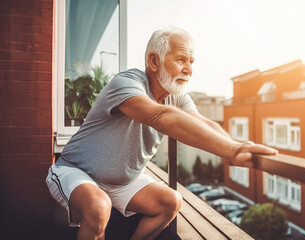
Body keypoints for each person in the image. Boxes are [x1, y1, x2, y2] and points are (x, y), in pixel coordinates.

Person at [46, 26, 278, 240]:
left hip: (121, 182)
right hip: (76, 170)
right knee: (98, 207)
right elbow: (158, 116)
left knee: (171, 201)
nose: (189, 69)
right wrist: (231, 149)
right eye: (181, 59)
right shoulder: (126, 83)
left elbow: (202, 122)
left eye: (191, 61)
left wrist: (231, 147)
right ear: (153, 61)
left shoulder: (177, 96)